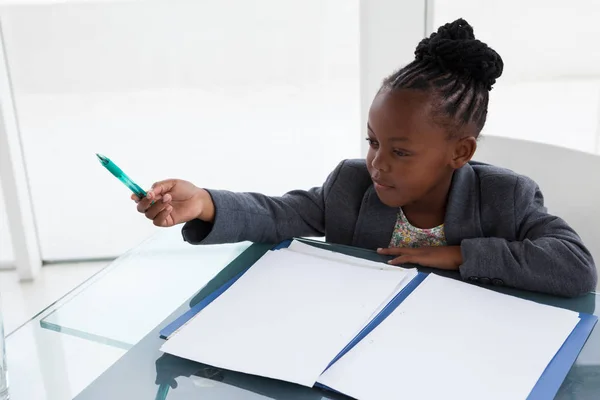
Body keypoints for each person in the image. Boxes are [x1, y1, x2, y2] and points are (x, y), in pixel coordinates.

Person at [132, 19, 597, 297]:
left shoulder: (506, 197)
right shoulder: (351, 186)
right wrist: (204, 203)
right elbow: (278, 213)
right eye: (373, 142)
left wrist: (457, 255)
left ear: (461, 152)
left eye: (400, 152)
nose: (378, 163)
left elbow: (575, 266)